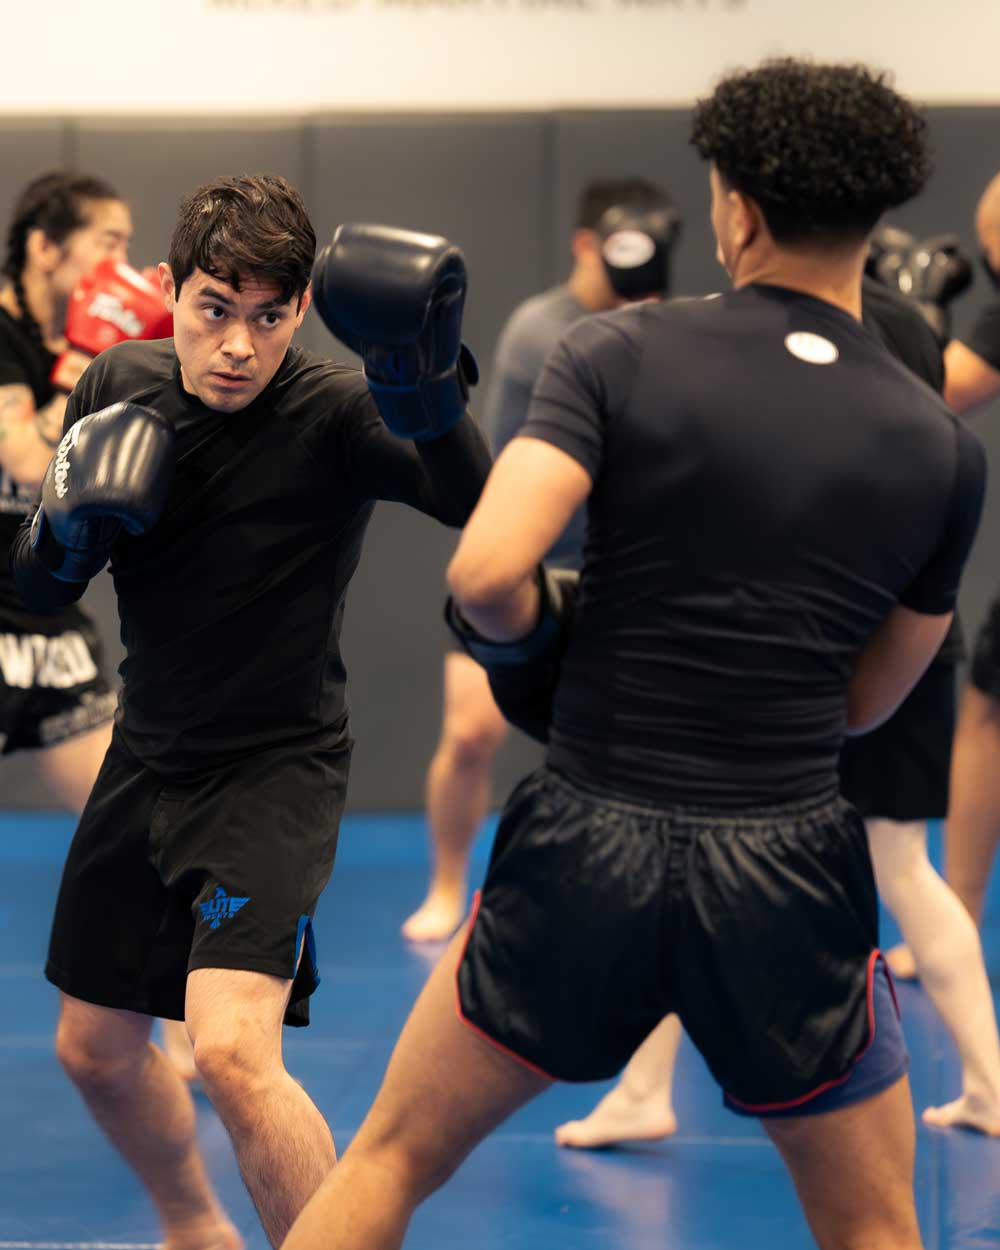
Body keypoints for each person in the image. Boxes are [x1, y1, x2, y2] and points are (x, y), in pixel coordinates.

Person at [280, 59, 986, 1250]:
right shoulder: (940, 447)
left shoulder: (617, 352)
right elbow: (868, 706)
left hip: (590, 835)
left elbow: (486, 577)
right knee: (874, 1229)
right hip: (787, 862)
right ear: (872, 219)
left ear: (737, 209)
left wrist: (547, 641)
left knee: (389, 1161)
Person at [11, 174, 490, 1249]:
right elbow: (33, 591)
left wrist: (422, 388)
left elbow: (470, 497)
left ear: (302, 311)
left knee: (230, 1048)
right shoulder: (117, 384)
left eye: (268, 316)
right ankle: (195, 1224)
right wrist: (64, 539)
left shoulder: (333, 414)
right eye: (214, 308)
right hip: (147, 755)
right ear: (171, 290)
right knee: (91, 1047)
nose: (238, 343)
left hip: (275, 770)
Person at [555, 266, 1000, 1150]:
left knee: (692, 846)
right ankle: (986, 1083)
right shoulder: (904, 326)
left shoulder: (756, 332)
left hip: (816, 632)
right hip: (891, 632)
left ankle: (983, 1081)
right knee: (892, 862)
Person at [403, 177, 680, 942]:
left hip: (614, 569)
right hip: (517, 560)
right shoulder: (542, 327)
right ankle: (447, 882)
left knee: (621, 753)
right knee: (469, 733)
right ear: (585, 244)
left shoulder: (656, 322)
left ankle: (631, 900)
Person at [0, 171, 194, 1077]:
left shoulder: (83, 342)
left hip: (43, 613)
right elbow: (34, 459)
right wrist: (92, 354)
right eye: (105, 242)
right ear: (45, 247)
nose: (121, 259)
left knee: (142, 824)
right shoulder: (6, 333)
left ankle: (194, 1016)